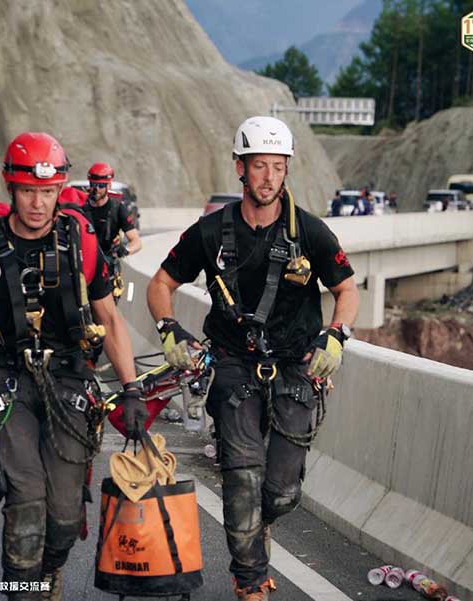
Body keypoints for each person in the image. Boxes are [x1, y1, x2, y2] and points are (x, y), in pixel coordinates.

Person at [0, 132, 142, 601]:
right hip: (2, 377)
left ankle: (51, 569)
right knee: (26, 498)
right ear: (10, 187)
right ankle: (24, 591)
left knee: (63, 512)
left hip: (69, 377)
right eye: (27, 192)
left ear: (60, 189)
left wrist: (132, 388)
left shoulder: (81, 241)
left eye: (46, 192)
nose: (37, 204)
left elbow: (110, 319)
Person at [147, 116, 359, 600]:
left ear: (287, 171)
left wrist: (336, 336)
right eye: (258, 166)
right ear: (240, 168)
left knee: (281, 493)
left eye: (277, 167)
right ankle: (250, 582)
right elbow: (160, 284)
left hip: (294, 368)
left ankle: (257, 532)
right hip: (232, 367)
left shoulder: (310, 232)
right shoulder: (209, 232)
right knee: (242, 482)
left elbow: (347, 288)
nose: (268, 177)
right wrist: (168, 328)